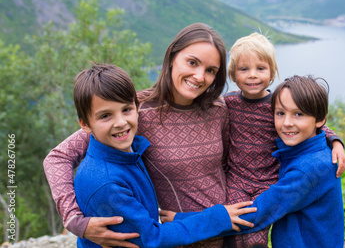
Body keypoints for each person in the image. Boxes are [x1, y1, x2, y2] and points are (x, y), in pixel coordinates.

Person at [43, 24, 345, 248]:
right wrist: (75, 221)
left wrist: (330, 138)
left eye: (212, 70)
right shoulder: (135, 111)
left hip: (231, 231)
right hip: (176, 236)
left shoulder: (221, 108)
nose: (200, 76)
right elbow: (58, 157)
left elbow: (290, 111)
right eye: (192, 63)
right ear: (172, 57)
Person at [71, 63, 256, 247]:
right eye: (105, 116)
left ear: (137, 109)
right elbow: (151, 239)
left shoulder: (127, 153)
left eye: (126, 110)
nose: (120, 122)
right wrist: (216, 218)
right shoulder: (106, 182)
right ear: (85, 124)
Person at [168, 75, 344, 247]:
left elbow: (256, 215)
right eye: (280, 113)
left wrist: (181, 221)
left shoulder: (308, 170)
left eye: (298, 114)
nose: (287, 123)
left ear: (320, 119)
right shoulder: (308, 150)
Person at [221, 33, 345, 247]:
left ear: (271, 73)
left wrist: (335, 140)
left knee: (252, 237)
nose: (252, 75)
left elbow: (314, 120)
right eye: (244, 69)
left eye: (260, 68)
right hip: (238, 178)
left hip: (268, 182)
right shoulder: (229, 103)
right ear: (233, 74)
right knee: (231, 237)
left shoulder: (277, 107)